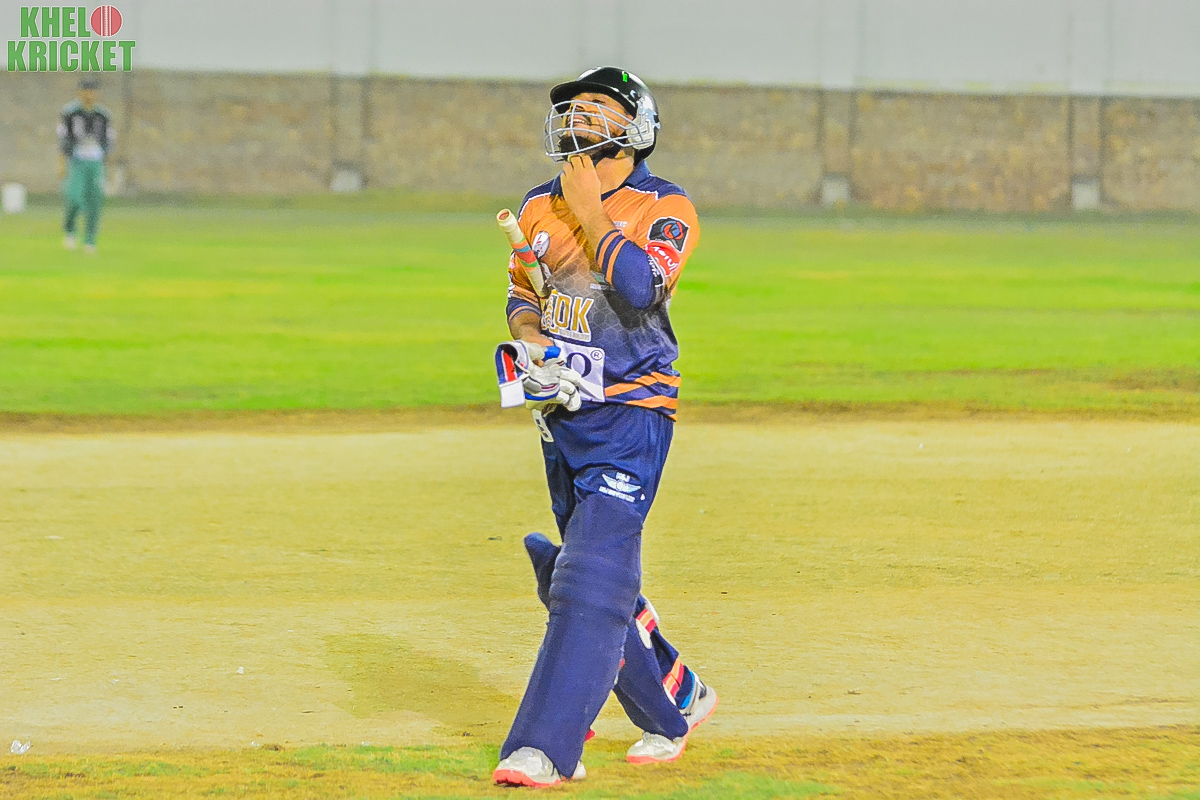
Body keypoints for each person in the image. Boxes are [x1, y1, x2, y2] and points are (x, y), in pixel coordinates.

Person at [492, 67, 718, 788]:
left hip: (633, 413)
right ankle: (674, 705)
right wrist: (531, 342)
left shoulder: (665, 206)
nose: (577, 118)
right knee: (597, 577)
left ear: (636, 126)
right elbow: (522, 293)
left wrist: (592, 213)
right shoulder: (538, 205)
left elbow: (643, 287)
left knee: (588, 578)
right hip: (563, 413)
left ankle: (544, 748)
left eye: (595, 107)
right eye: (571, 108)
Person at [57, 78, 115, 253]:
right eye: (86, 91)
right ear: (80, 92)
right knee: (74, 197)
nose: (89, 95)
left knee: (94, 201)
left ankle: (90, 239)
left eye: (92, 91)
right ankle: (70, 230)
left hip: (96, 162)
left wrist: (109, 169)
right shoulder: (70, 112)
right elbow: (63, 140)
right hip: (77, 161)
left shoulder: (103, 115)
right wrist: (61, 164)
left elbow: (108, 143)